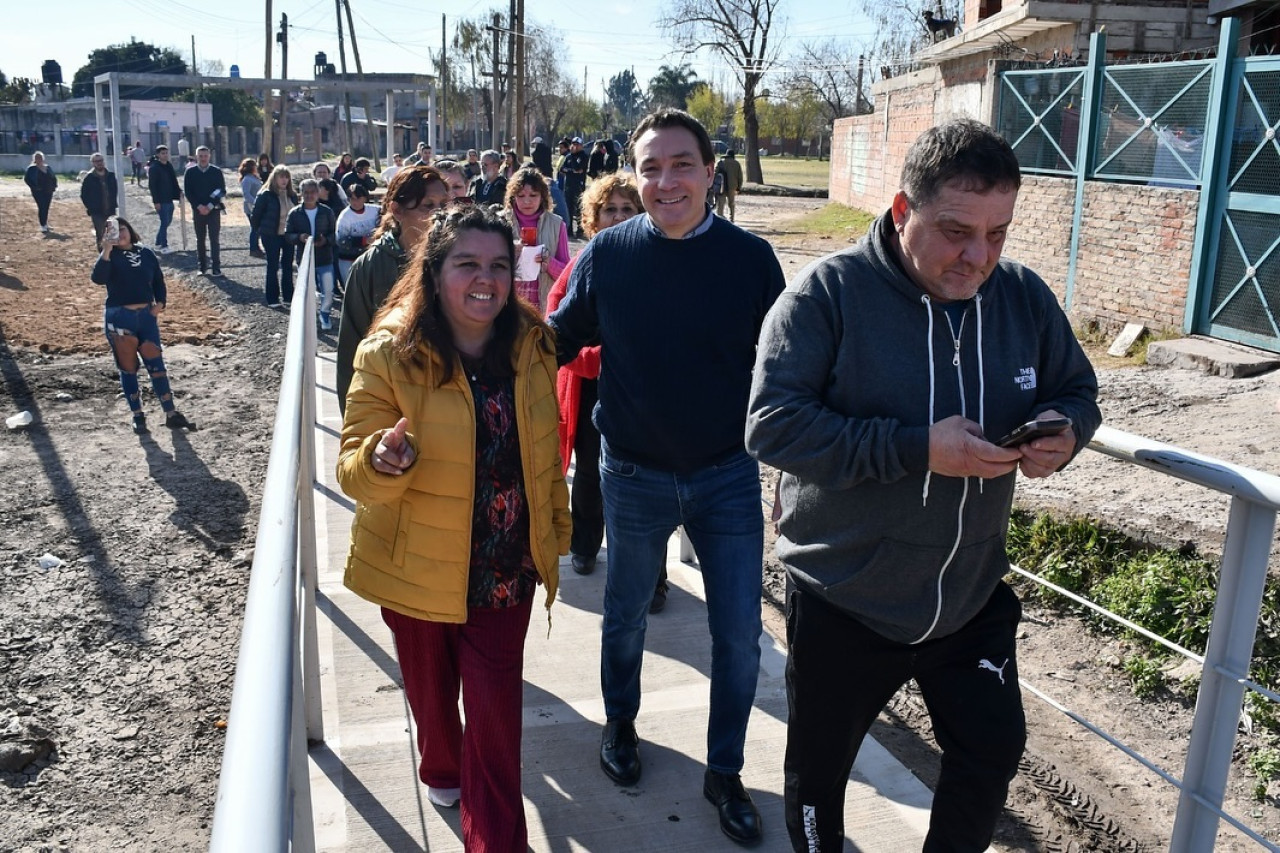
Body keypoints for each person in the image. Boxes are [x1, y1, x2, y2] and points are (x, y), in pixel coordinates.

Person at [744, 118, 1103, 853]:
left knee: (991, 753)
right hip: (846, 598)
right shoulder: (827, 296)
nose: (979, 256)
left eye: (998, 233)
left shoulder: (1022, 297)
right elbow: (772, 426)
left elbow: (1077, 386)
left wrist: (1064, 429)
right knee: (818, 789)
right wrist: (917, 448)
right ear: (904, 210)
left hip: (970, 596)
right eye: (956, 231)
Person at [548, 108, 784, 845]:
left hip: (727, 476)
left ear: (711, 173)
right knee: (622, 619)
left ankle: (724, 768)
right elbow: (557, 339)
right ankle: (620, 727)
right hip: (633, 473)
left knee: (739, 635)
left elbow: (789, 371)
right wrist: (467, 346)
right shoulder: (609, 254)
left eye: (682, 164)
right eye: (650, 166)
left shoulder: (751, 260)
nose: (665, 180)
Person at [336, 204, 569, 851]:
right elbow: (352, 466)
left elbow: (546, 452)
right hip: (415, 569)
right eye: (467, 263)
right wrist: (382, 458)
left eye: (498, 264)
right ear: (435, 271)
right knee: (435, 707)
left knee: (496, 731)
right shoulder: (387, 353)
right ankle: (440, 764)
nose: (485, 279)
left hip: (503, 574)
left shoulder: (532, 344)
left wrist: (555, 530)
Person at [543, 173, 640, 583]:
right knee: (589, 473)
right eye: (609, 210)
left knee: (642, 478)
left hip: (642, 391)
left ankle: (647, 571)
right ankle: (585, 545)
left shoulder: (657, 257)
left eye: (627, 209)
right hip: (590, 386)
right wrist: (595, 359)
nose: (617, 218)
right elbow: (556, 310)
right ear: (593, 218)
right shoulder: (586, 260)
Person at [336, 165, 451, 414]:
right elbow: (351, 353)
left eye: (444, 204)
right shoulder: (369, 268)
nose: (439, 214)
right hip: (393, 406)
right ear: (397, 210)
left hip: (449, 402)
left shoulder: (457, 261)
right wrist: (355, 428)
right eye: (427, 206)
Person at [91, 215, 196, 435]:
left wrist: (161, 303)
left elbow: (158, 279)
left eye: (122, 229)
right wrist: (107, 250)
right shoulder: (108, 256)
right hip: (120, 317)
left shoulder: (146, 252)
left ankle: (170, 413)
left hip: (146, 316)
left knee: (156, 364)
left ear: (129, 229)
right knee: (128, 368)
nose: (120, 234)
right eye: (113, 231)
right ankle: (138, 416)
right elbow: (98, 278)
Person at [503, 166, 569, 311]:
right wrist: (508, 252)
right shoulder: (500, 222)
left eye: (533, 195)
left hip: (544, 308)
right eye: (521, 196)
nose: (527, 201)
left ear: (543, 197)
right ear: (512, 197)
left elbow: (568, 274)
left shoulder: (557, 225)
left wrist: (549, 263)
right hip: (507, 307)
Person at [285, 179, 339, 331]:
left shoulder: (327, 211)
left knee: (328, 290)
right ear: (301, 194)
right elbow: (288, 235)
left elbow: (335, 234)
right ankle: (309, 318)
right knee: (306, 292)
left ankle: (325, 313)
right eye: (306, 192)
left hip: (325, 257)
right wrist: (299, 238)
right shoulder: (294, 213)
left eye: (312, 192)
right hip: (304, 258)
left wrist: (326, 241)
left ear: (318, 193)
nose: (309, 195)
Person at [250, 165, 300, 307]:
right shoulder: (265, 195)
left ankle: (288, 297)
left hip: (288, 236)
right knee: (272, 265)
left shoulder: (292, 195)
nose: (284, 180)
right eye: (281, 177)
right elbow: (255, 216)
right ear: (275, 178)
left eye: (286, 177)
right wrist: (260, 231)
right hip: (271, 235)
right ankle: (272, 298)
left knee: (288, 266)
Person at [183, 146, 225, 276]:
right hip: (198, 211)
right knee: (200, 239)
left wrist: (210, 205)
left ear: (209, 156)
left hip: (213, 211)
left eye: (205, 156)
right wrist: (199, 206)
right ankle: (202, 266)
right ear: (196, 157)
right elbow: (188, 192)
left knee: (214, 239)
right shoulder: (190, 172)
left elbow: (221, 190)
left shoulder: (216, 171)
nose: (203, 158)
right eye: (200, 156)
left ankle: (216, 267)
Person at [335, 184, 381, 282]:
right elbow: (341, 240)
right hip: (349, 260)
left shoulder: (375, 210)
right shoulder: (344, 217)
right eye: (352, 198)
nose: (355, 202)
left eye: (358, 198)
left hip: (369, 258)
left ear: (364, 198)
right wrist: (364, 240)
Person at [80, 152, 118, 250]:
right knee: (101, 234)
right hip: (97, 212)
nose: (99, 163)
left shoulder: (111, 175)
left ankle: (113, 255)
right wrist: (91, 207)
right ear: (92, 163)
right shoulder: (89, 178)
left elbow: (114, 191)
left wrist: (113, 204)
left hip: (110, 209)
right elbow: (84, 195)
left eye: (101, 160)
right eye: (97, 161)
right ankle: (102, 256)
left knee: (113, 233)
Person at [148, 145, 182, 253]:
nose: (165, 155)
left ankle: (158, 243)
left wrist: (179, 192)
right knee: (164, 222)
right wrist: (156, 201)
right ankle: (164, 245)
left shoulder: (168, 166)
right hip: (161, 200)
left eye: (166, 153)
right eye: (163, 153)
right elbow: (152, 186)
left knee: (168, 221)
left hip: (169, 199)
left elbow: (173, 180)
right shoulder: (154, 168)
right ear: (158, 155)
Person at [559, 137, 589, 237]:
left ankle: (580, 230)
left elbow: (578, 168)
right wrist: (571, 171)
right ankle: (569, 229)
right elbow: (562, 169)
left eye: (577, 145)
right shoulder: (568, 156)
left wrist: (571, 169)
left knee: (579, 208)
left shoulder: (583, 156)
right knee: (568, 208)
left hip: (578, 185)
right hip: (568, 185)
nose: (574, 146)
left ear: (581, 146)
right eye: (573, 144)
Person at [24, 151, 57, 234]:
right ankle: (42, 225)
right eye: (37, 158)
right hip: (38, 191)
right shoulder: (31, 169)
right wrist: (34, 187)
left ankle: (45, 223)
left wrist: (54, 185)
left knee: (46, 207)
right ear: (34, 159)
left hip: (48, 190)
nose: (39, 159)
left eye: (40, 157)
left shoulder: (48, 167)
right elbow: (27, 179)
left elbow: (53, 177)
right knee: (42, 206)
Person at [238, 158, 265, 259]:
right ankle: (253, 249)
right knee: (255, 228)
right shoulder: (247, 179)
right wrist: (256, 203)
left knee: (257, 228)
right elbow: (246, 194)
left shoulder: (253, 177)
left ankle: (257, 247)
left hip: (257, 207)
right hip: (251, 207)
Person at [714, 150, 744, 223]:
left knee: (721, 204)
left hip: (722, 186)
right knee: (731, 203)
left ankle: (720, 219)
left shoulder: (720, 162)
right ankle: (732, 218)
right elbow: (740, 177)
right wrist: (739, 187)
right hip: (732, 186)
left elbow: (715, 174)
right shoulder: (736, 164)